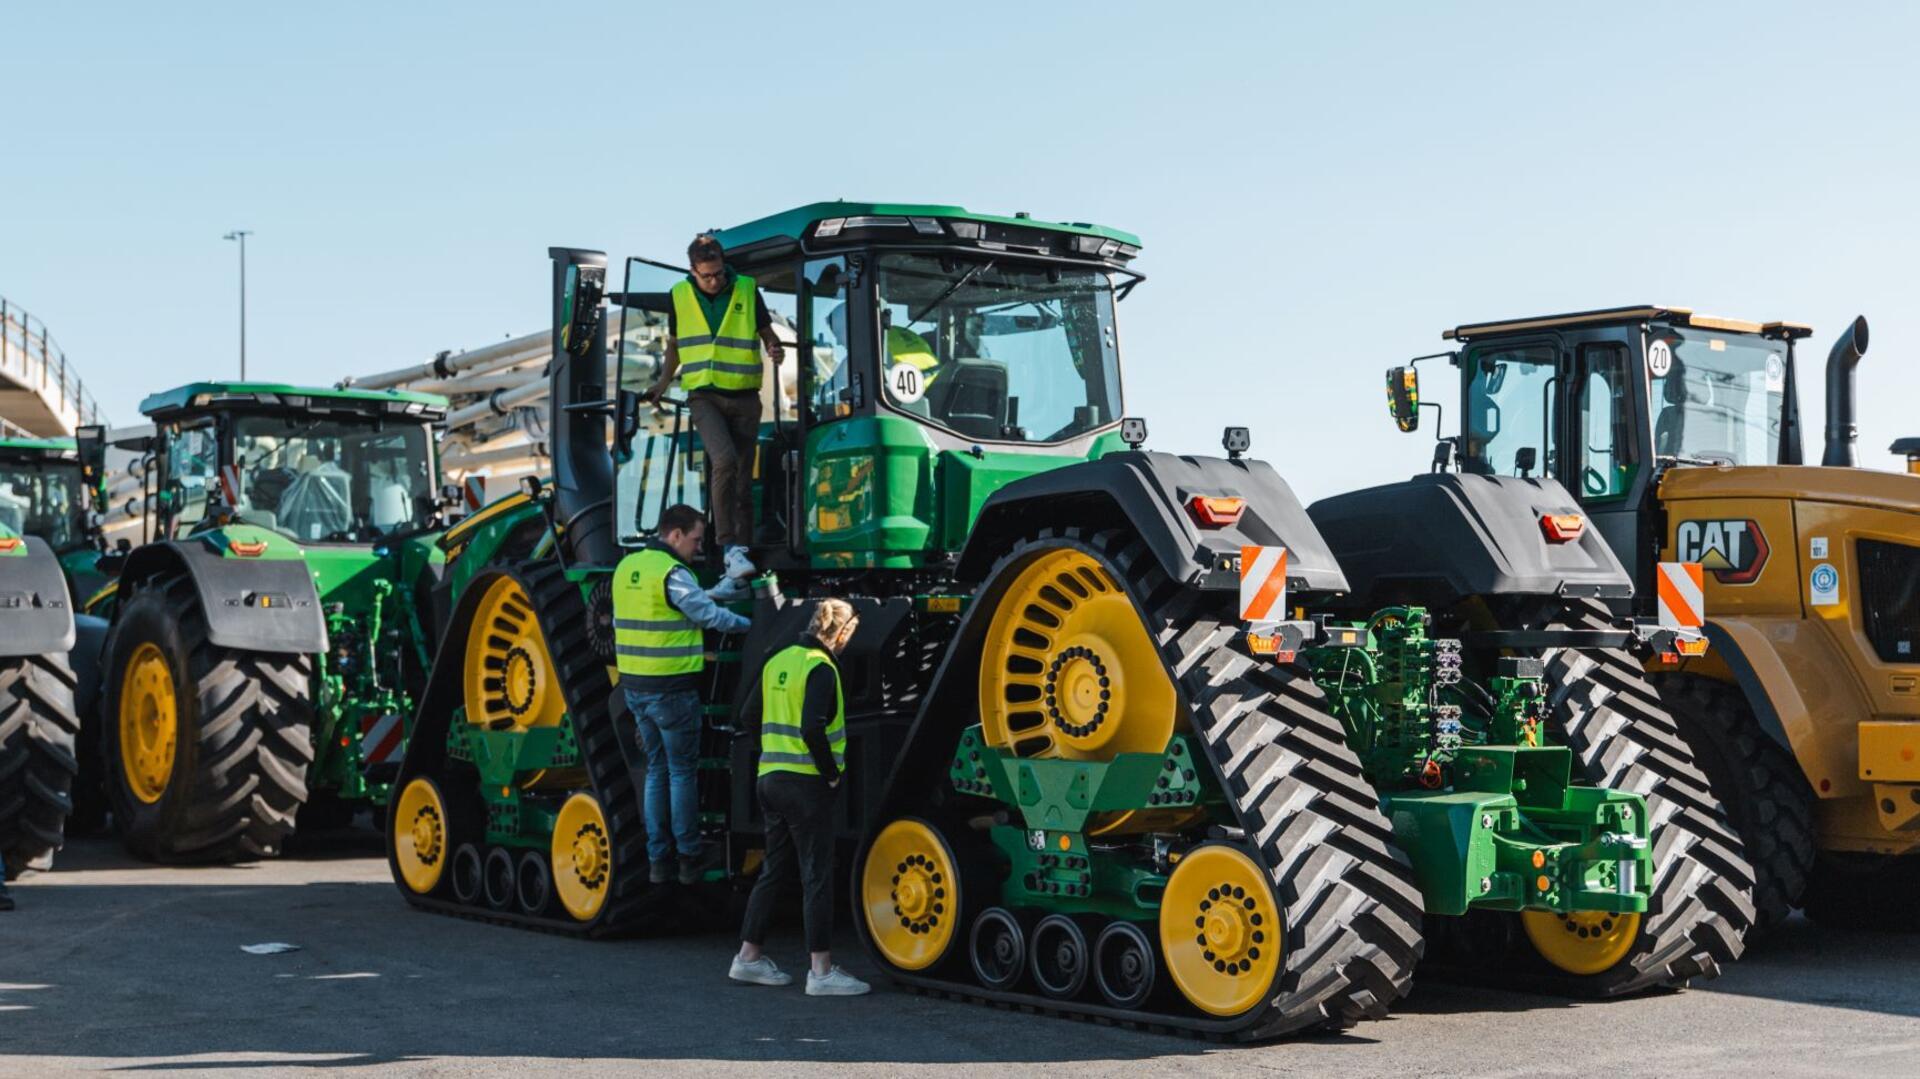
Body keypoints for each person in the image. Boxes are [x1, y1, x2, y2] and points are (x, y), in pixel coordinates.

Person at [729, 599, 869, 997]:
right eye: (849, 635)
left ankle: (748, 958)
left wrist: (772, 752)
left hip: (769, 780)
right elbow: (813, 727)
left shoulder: (779, 658)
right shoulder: (820, 667)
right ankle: (821, 971)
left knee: (775, 868)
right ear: (839, 633)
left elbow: (747, 716)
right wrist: (831, 773)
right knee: (816, 875)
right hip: (805, 784)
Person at [613, 502, 751, 886]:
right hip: (671, 690)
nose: (698, 547)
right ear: (674, 534)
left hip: (636, 689)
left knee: (657, 772)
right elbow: (706, 615)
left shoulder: (627, 568)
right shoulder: (673, 573)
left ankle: (659, 860)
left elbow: (671, 606)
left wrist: (708, 594)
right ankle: (689, 857)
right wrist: (749, 624)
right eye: (694, 539)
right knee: (680, 772)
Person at [645, 233, 785, 586]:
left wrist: (775, 348)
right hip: (703, 395)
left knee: (740, 478)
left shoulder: (746, 288)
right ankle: (728, 548)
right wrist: (663, 384)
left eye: (719, 273)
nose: (714, 281)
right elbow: (675, 346)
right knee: (723, 461)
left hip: (744, 396)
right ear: (692, 271)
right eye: (707, 275)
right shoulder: (679, 296)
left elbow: (767, 332)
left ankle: (743, 550)